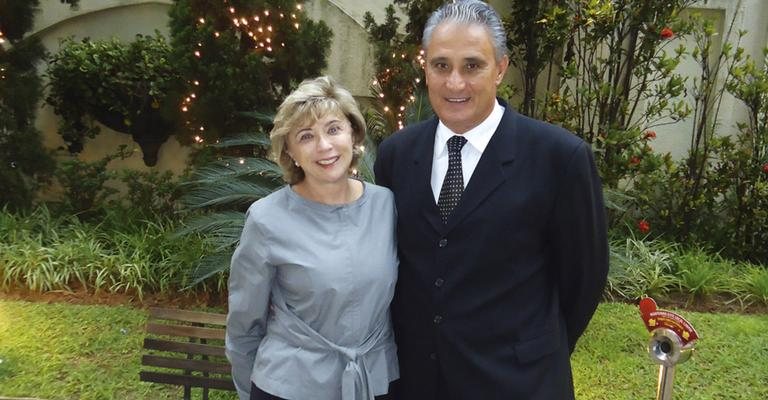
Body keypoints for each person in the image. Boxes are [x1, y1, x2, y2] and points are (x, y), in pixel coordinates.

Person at [373, 1, 609, 399]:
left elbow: (582, 279)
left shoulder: (559, 158)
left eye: (472, 66)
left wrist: (532, 351)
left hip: (518, 383)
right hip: (414, 383)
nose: (455, 84)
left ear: (500, 68)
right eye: (441, 65)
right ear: (425, 69)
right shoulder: (396, 154)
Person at [226, 76, 399, 400]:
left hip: (374, 383)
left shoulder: (386, 205)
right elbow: (244, 326)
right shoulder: (267, 219)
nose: (324, 146)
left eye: (334, 129)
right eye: (306, 136)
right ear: (290, 150)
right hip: (290, 386)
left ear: (353, 133)